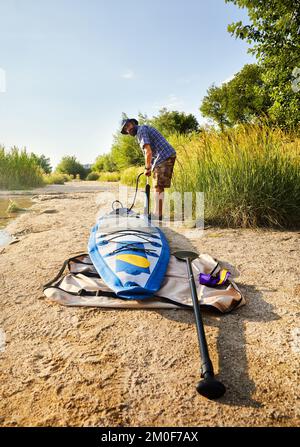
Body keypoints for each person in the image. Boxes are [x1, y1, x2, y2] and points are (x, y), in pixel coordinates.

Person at [120, 118, 176, 221]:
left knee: (158, 186)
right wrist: (150, 166)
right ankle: (157, 213)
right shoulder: (142, 130)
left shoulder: (141, 131)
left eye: (128, 126)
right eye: (126, 129)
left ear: (133, 123)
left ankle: (157, 214)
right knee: (158, 186)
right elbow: (150, 152)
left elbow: (148, 151)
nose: (128, 130)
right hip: (165, 155)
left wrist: (147, 168)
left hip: (164, 156)